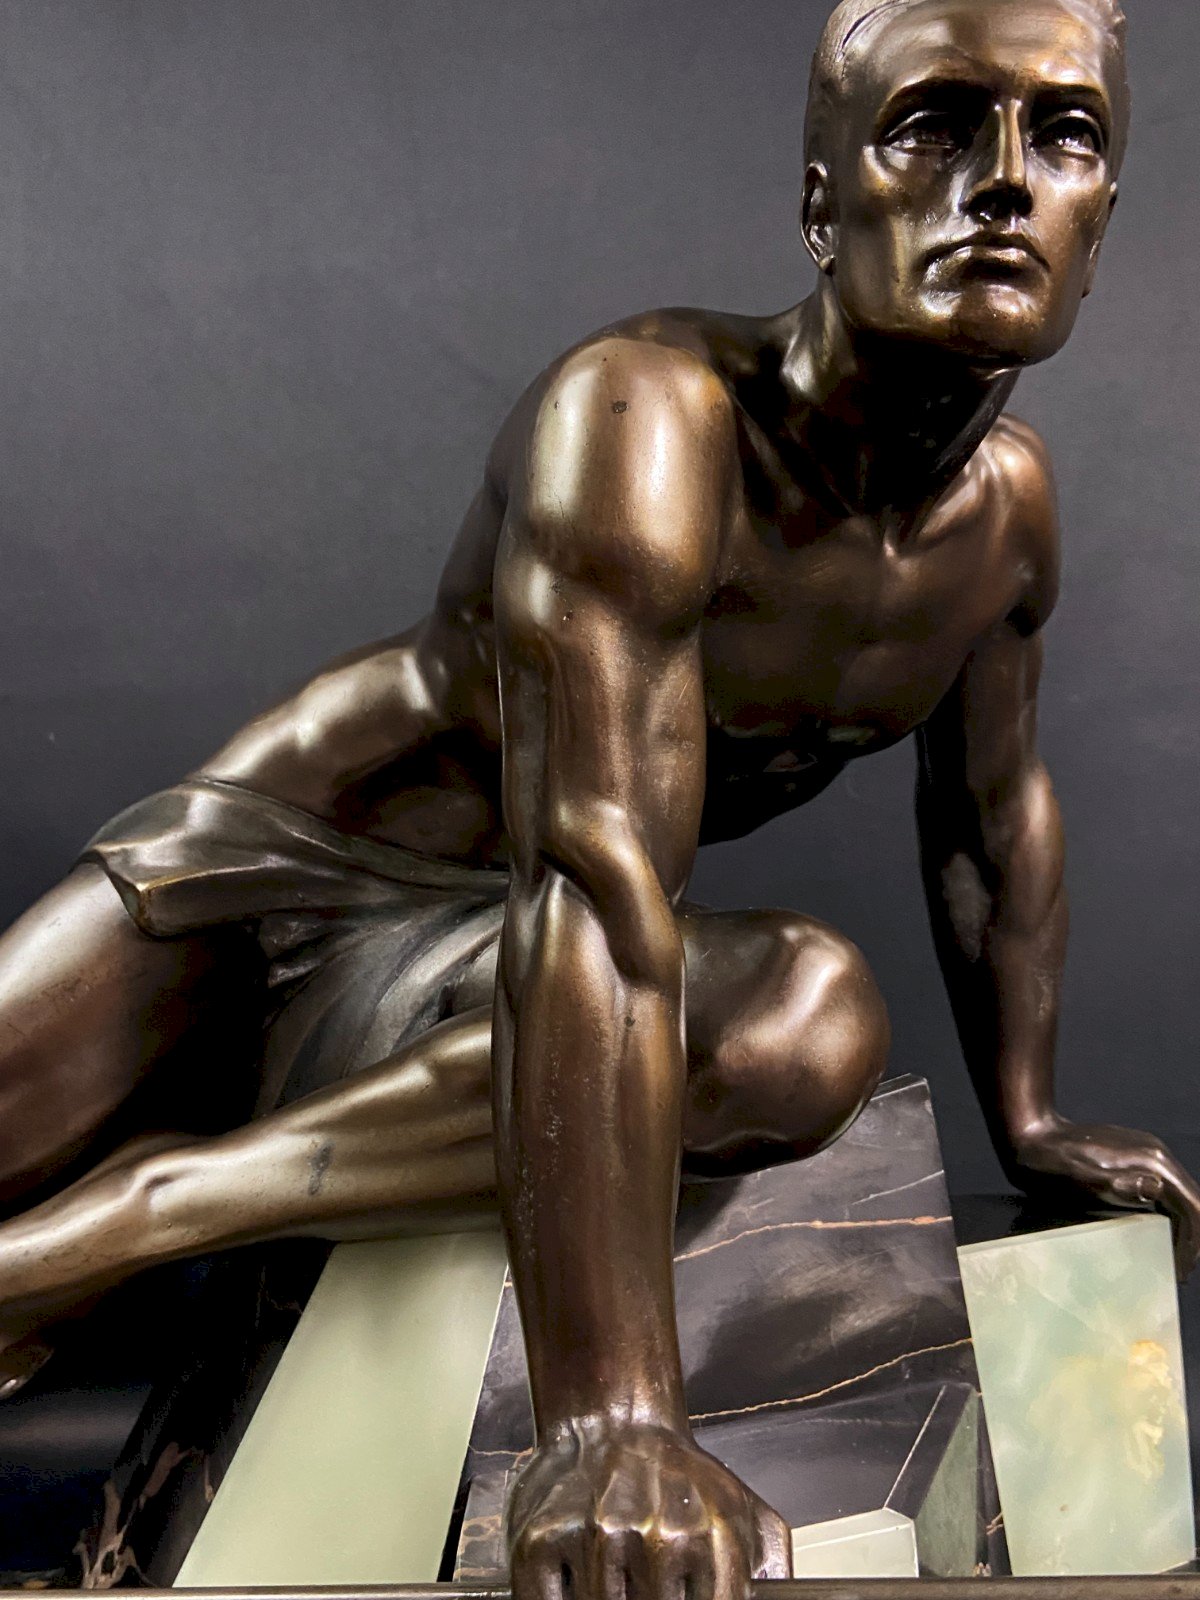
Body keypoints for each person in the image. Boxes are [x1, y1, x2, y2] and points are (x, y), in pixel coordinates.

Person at [0, 0, 1194, 1593]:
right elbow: (600, 884)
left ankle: (122, 1227)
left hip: (476, 963)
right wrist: (612, 1419)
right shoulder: (648, 420)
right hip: (267, 883)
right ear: (824, 199)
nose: (1003, 178)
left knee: (806, 1021)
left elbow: (990, 831)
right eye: (935, 123)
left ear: (1103, 219)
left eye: (1065, 135)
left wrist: (1030, 1120)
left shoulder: (1007, 519)